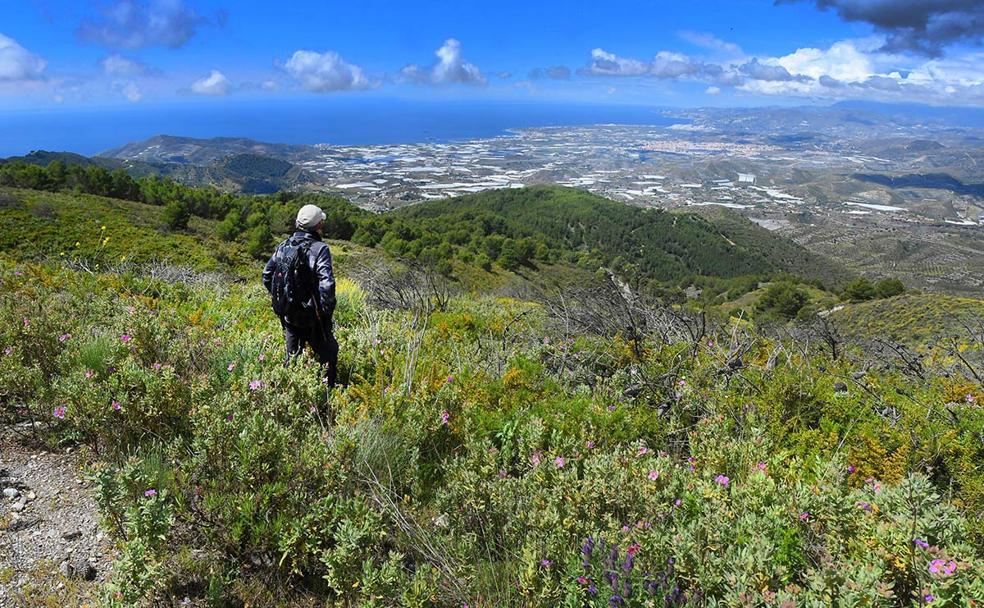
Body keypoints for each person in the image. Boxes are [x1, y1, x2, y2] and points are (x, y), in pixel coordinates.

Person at [262, 204, 339, 386]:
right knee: (328, 354)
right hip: (314, 316)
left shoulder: (284, 245)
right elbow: (327, 284)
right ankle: (328, 392)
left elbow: (267, 275)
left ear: (298, 223)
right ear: (318, 225)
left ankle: (289, 390)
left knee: (292, 358)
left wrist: (283, 298)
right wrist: (326, 312)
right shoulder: (320, 249)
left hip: (289, 314)